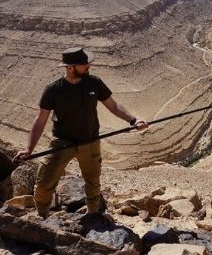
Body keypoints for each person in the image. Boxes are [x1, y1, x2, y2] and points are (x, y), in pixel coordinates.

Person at [13, 47, 148, 218]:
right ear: (70, 67)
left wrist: (133, 120)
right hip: (62, 143)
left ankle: (93, 218)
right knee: (43, 184)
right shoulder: (53, 89)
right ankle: (43, 218)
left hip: (90, 142)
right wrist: (29, 149)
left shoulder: (94, 83)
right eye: (84, 64)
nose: (88, 67)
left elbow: (113, 105)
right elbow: (40, 120)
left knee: (93, 184)